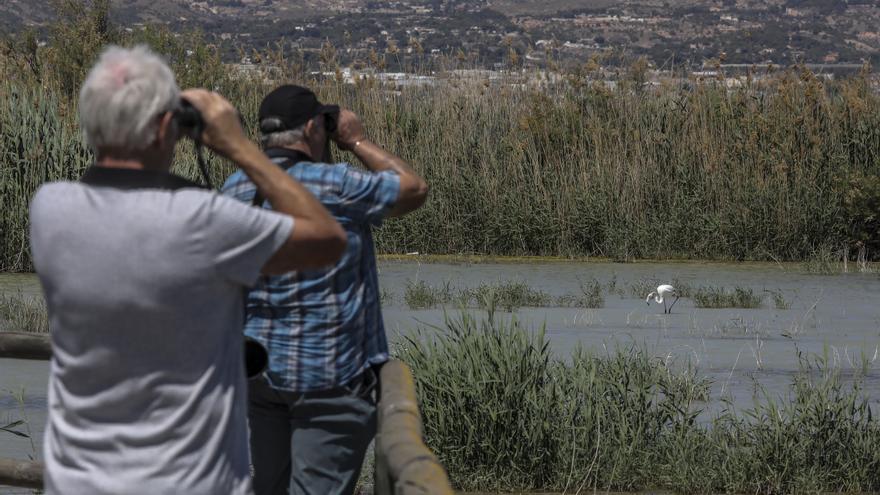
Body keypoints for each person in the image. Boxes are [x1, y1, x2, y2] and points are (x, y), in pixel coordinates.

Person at [28, 46, 347, 495]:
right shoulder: (204, 221)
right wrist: (238, 146)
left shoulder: (49, 208)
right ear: (165, 128)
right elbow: (327, 237)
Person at [221, 84, 429, 495]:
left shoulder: (235, 189)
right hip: (330, 380)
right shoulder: (337, 184)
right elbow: (412, 188)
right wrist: (355, 140)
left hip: (259, 379)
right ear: (315, 127)